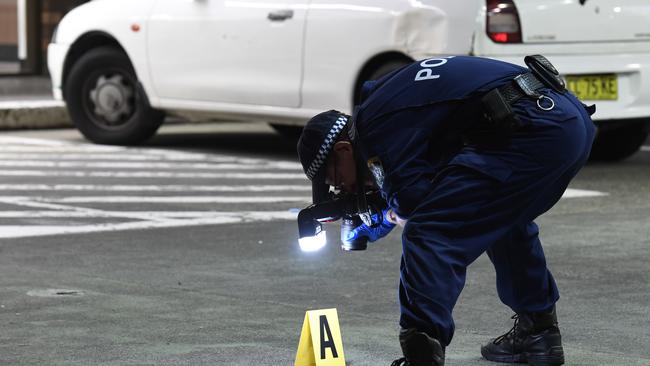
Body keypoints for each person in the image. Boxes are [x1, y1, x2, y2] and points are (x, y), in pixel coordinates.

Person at [296, 55, 595, 366]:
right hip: (564, 121)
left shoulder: (375, 129)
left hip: (533, 127)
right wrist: (382, 209)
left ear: (343, 150)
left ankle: (421, 353)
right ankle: (538, 334)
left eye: (337, 181)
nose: (343, 190)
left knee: (430, 233)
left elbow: (415, 203)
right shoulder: (383, 107)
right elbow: (432, 188)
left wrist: (381, 217)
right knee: (499, 218)